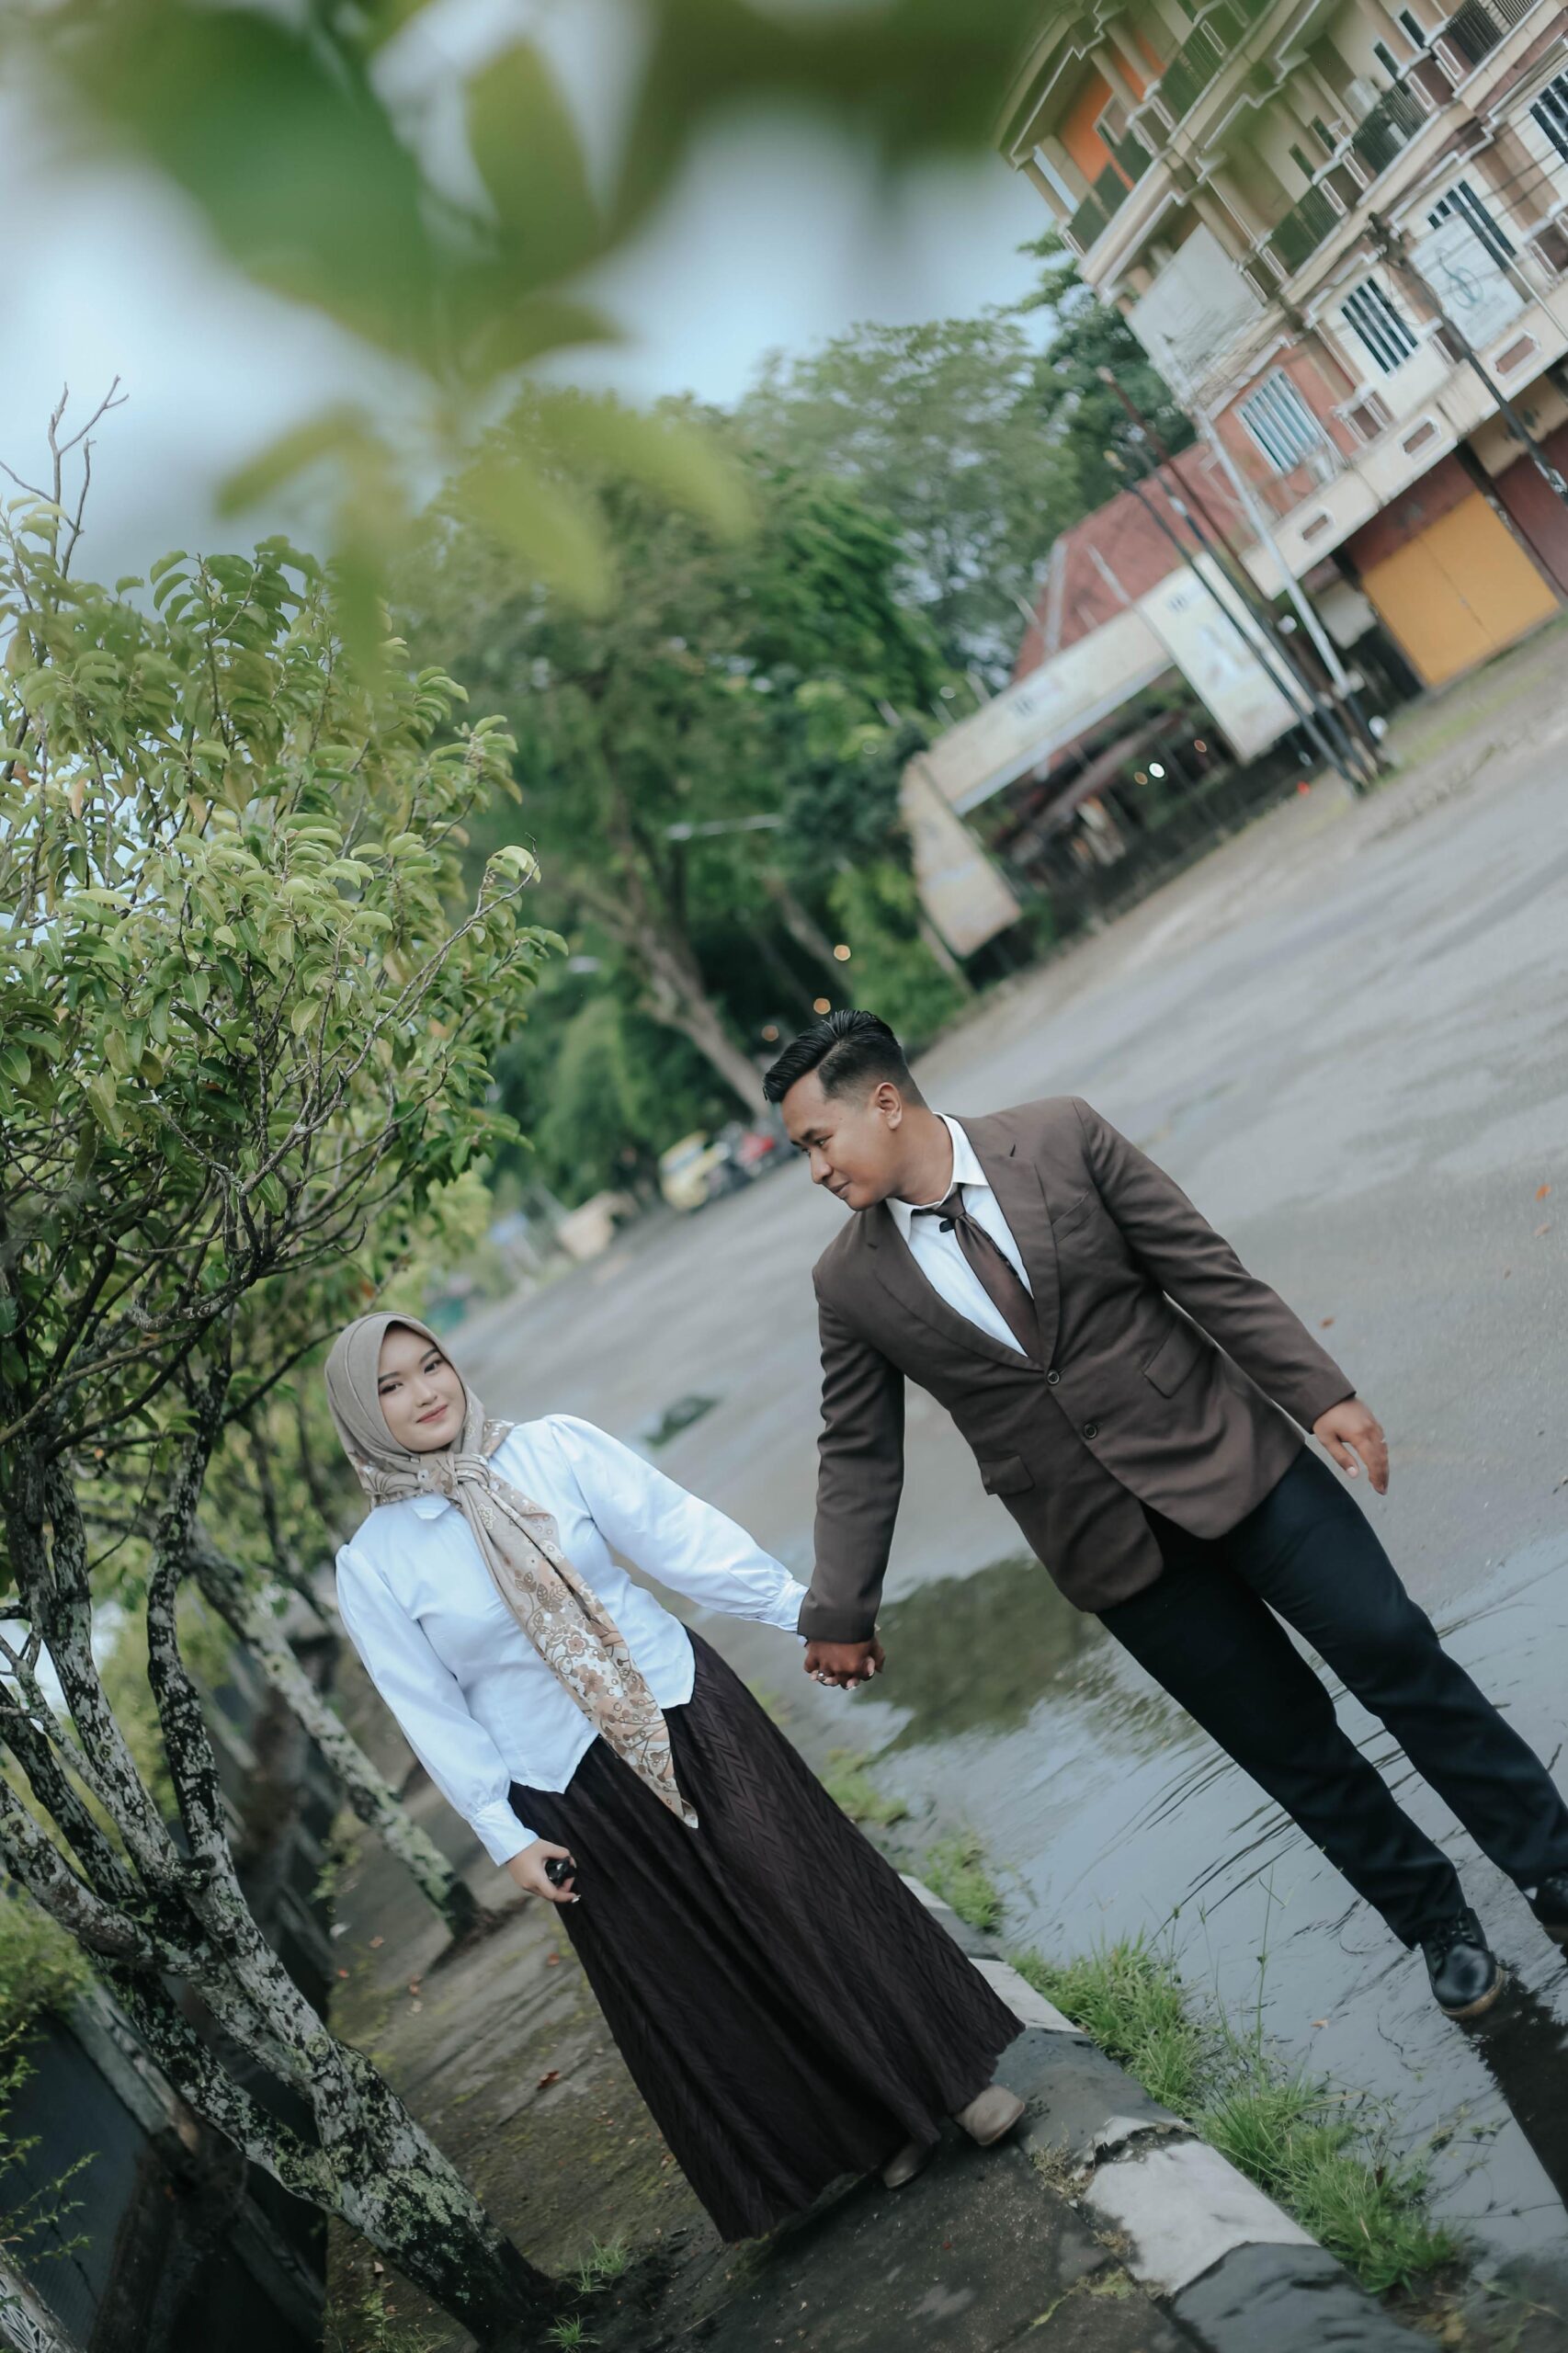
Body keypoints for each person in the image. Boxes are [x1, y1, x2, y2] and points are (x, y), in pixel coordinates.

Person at [764, 1010, 1568, 2020]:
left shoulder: (1059, 1135)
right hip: (1106, 1546)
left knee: (1395, 1650)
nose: (815, 1170)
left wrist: (1319, 1392)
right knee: (1289, 1748)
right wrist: (840, 1609)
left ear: (883, 1102)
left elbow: (1199, 1268)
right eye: (804, 1153)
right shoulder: (847, 1281)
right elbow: (857, 1449)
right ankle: (1435, 1924)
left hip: (1237, 1460)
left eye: (818, 1140)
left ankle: (1549, 1861)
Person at [324, 1311, 1025, 2241]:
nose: (424, 1393)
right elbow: (431, 1712)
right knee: (707, 1968)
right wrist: (505, 1835)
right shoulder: (374, 1565)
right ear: (360, 1414)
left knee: (803, 1892)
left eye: (430, 1364)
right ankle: (875, 2128)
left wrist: (808, 1612)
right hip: (570, 1788)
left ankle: (952, 2084)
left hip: (685, 1711)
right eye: (390, 1386)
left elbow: (678, 1537)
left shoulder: (554, 1449)